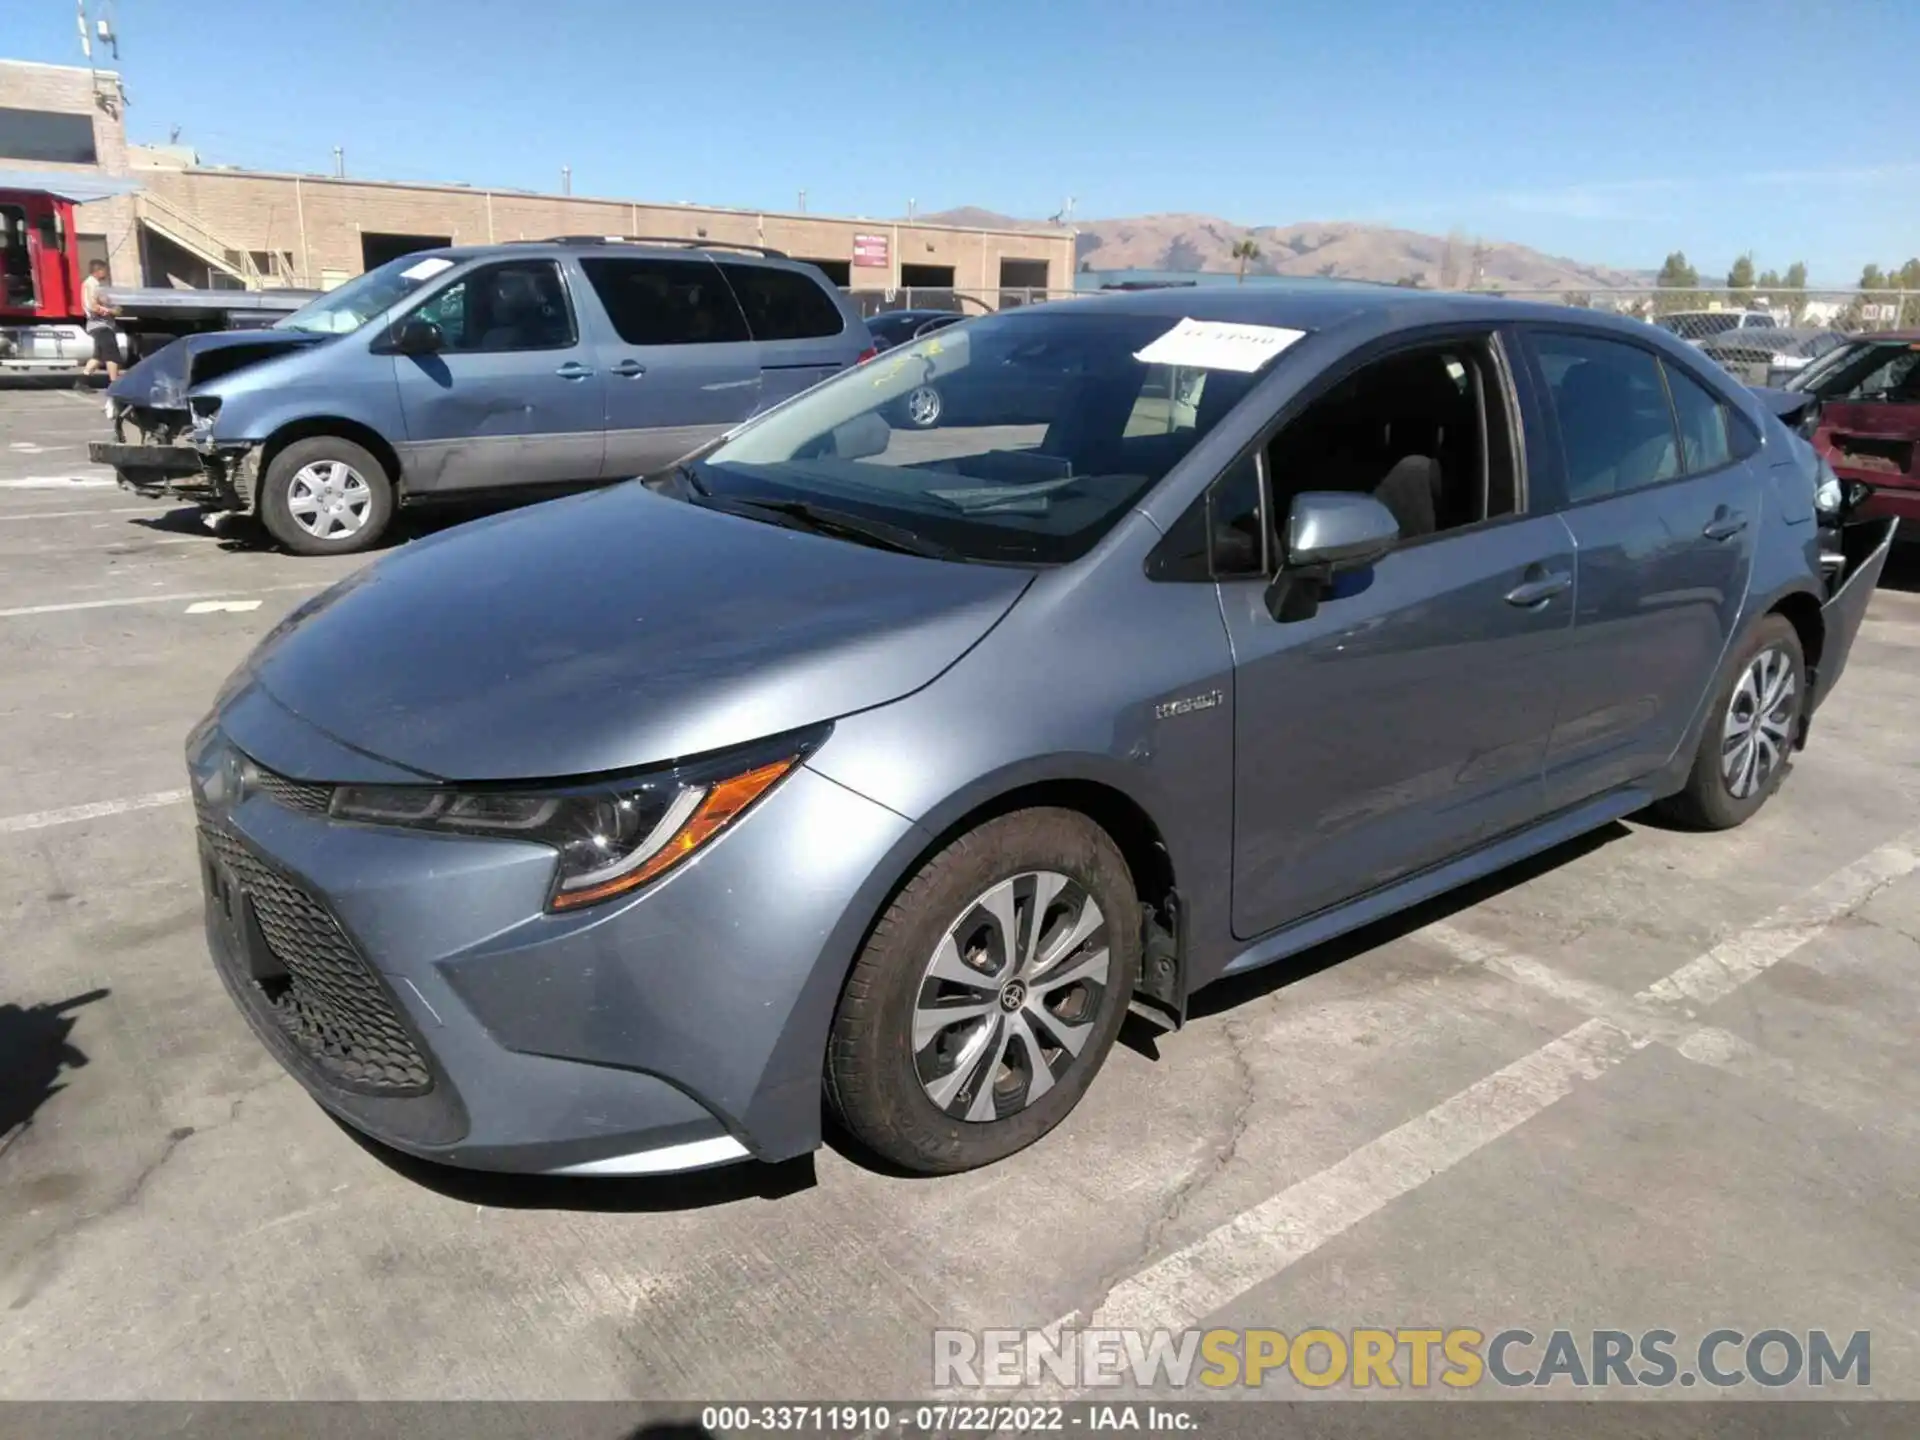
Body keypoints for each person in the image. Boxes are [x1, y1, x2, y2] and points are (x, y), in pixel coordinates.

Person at [79, 259, 122, 390]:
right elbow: (92, 306)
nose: (106, 273)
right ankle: (114, 384)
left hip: (99, 324)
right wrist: (111, 311)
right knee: (112, 354)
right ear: (99, 271)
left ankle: (82, 381)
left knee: (99, 356)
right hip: (100, 324)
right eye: (105, 270)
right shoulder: (92, 284)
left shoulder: (93, 284)